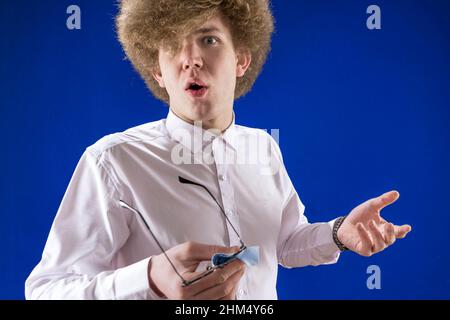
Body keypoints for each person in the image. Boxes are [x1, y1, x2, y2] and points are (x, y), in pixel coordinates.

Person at [25, 0, 411, 300]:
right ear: (157, 70)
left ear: (241, 59)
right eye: (173, 45)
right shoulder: (112, 161)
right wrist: (148, 280)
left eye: (208, 39)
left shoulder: (262, 147)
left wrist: (340, 233)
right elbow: (47, 289)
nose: (190, 59)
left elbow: (280, 245)